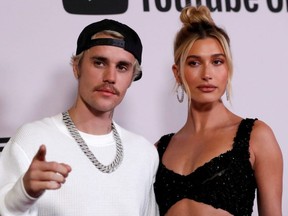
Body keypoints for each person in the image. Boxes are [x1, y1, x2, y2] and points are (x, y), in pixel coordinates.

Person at [0, 19, 159, 216]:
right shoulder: (32, 139)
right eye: (99, 62)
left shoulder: (144, 153)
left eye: (122, 67)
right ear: (77, 67)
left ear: (131, 78)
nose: (110, 76)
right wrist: (22, 195)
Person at [153, 5, 283, 216]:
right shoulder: (159, 150)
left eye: (217, 62)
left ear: (227, 69)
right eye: (194, 63)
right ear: (177, 74)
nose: (207, 74)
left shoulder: (255, 136)